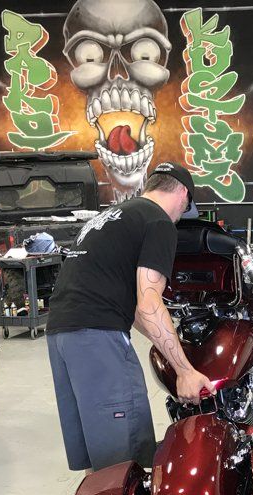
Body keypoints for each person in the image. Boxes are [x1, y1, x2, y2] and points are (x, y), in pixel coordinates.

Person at [45, 162, 214, 474]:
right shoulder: (158, 221)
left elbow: (135, 307)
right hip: (96, 338)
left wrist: (167, 344)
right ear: (182, 193)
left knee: (103, 459)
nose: (180, 215)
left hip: (61, 335)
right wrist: (184, 370)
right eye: (186, 207)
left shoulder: (113, 216)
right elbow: (150, 302)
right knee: (125, 462)